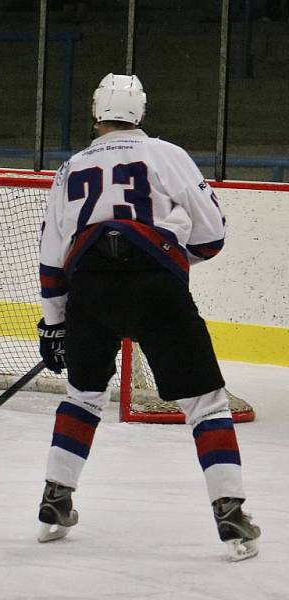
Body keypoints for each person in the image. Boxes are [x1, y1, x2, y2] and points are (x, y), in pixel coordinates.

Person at [35, 74, 260, 560]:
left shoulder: (71, 167)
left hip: (89, 293)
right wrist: (166, 251)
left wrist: (53, 323)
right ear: (142, 111)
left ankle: (56, 498)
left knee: (83, 396)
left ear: (96, 111)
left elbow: (52, 256)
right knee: (205, 403)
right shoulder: (166, 154)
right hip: (158, 289)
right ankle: (230, 513)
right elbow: (213, 234)